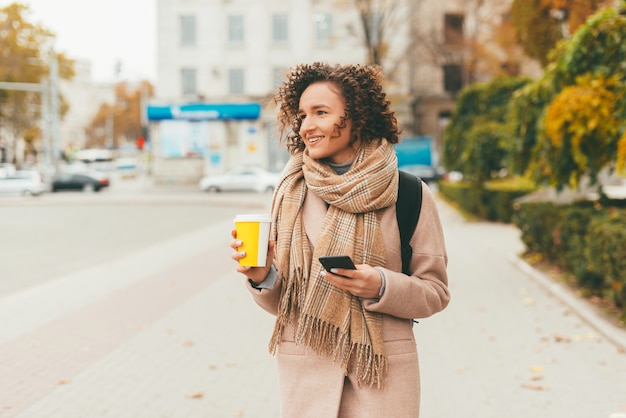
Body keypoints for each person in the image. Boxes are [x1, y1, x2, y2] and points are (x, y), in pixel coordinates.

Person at [230, 62, 450, 418]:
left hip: (382, 379)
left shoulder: (409, 194)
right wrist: (261, 276)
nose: (306, 126)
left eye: (321, 112)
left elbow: (435, 292)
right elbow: (284, 307)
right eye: (302, 115)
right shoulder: (290, 192)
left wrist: (380, 285)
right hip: (308, 380)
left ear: (357, 117)